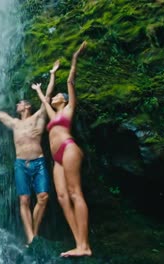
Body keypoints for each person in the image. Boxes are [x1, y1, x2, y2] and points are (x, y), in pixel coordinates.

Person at [0, 64, 60, 246]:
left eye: (19, 103)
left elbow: (48, 97)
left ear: (26, 105)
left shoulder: (38, 117)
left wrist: (52, 74)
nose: (17, 105)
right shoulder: (14, 123)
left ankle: (35, 232)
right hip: (21, 164)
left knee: (43, 197)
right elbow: (3, 117)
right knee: (24, 199)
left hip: (39, 162)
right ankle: (30, 237)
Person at [31, 41, 92, 257]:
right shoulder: (52, 112)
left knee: (75, 193)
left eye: (58, 95)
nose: (55, 96)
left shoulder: (69, 109)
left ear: (64, 100)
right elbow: (44, 98)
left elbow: (70, 81)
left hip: (68, 149)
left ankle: (85, 244)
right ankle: (79, 244)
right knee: (62, 197)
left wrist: (74, 57)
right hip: (57, 158)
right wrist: (49, 77)